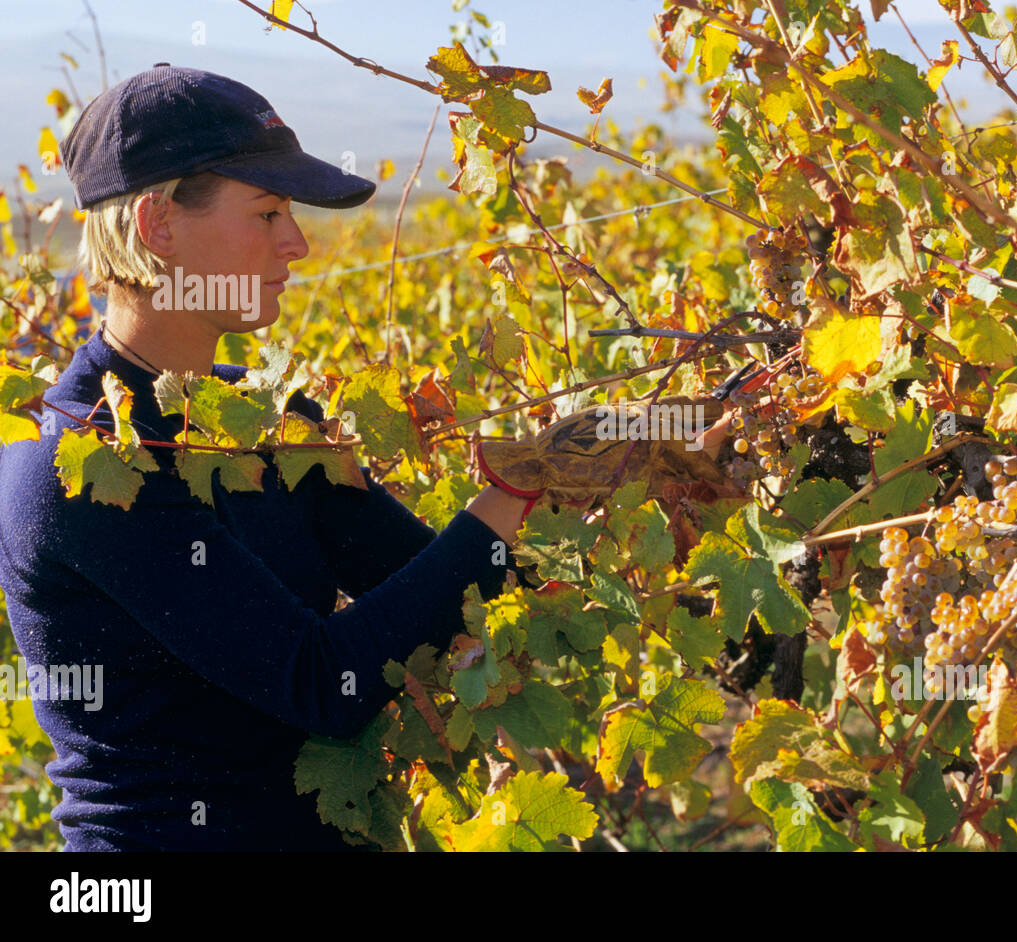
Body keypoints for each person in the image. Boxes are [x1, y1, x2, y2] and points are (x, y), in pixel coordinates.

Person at [0, 65, 734, 852]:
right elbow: (320, 682)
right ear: (158, 224)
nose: (300, 243)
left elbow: (449, 586)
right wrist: (522, 479)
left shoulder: (272, 421)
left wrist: (641, 470)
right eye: (270, 211)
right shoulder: (75, 468)